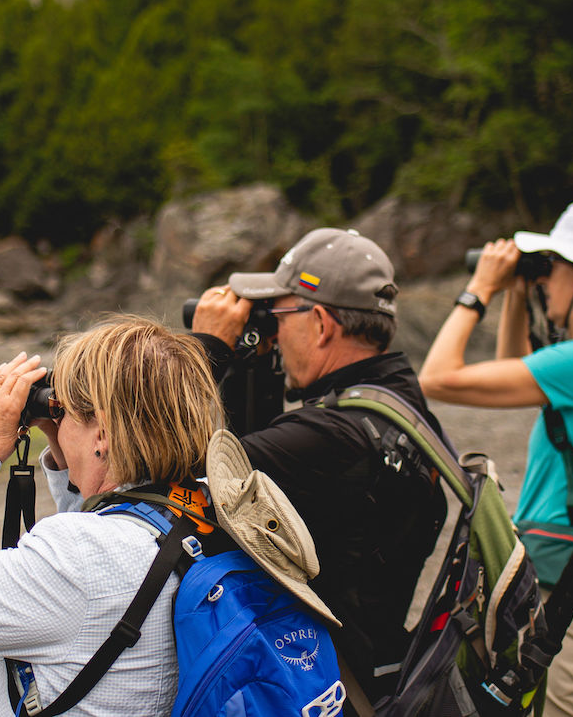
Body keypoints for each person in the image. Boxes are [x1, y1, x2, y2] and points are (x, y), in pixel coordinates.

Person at [0, 315, 223, 717]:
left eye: (65, 415)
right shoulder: (206, 507)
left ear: (103, 435)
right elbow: (119, 525)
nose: (58, 424)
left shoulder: (80, 554)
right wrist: (59, 442)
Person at [417, 200, 573, 717]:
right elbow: (515, 369)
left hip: (572, 599)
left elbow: (437, 378)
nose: (546, 276)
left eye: (553, 265)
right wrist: (517, 294)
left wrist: (480, 289)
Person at [189, 227, 448, 704]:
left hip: (321, 686)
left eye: (279, 315)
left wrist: (206, 349)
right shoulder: (401, 404)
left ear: (323, 323)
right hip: (376, 666)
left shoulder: (330, 438)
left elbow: (176, 476)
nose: (275, 331)